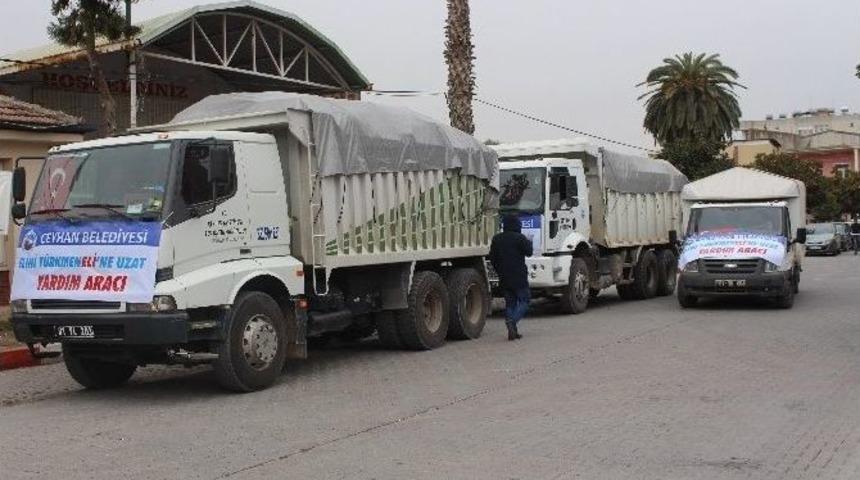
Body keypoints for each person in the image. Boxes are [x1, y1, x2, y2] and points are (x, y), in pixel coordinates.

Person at [490, 214, 534, 340]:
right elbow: (529, 252)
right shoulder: (520, 238)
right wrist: (529, 242)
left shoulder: (497, 239)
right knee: (525, 300)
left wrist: (499, 270)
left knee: (510, 304)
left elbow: (492, 258)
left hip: (504, 276)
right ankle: (512, 321)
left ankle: (513, 331)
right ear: (517, 225)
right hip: (519, 276)